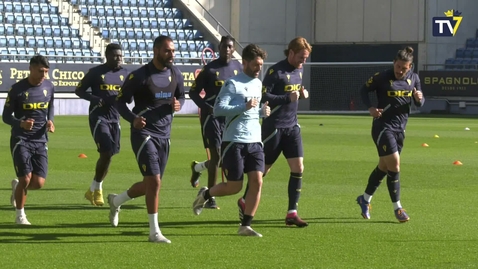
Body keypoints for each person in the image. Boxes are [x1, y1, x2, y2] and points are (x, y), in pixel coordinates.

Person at [107, 35, 184, 243]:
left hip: (165, 134)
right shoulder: (140, 75)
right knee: (155, 181)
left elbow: (181, 96)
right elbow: (120, 102)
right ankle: (154, 232)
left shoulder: (176, 73)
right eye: (168, 51)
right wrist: (133, 119)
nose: (172, 54)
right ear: (156, 51)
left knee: (151, 184)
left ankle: (116, 200)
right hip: (144, 133)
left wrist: (179, 105)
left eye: (173, 51)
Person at [192, 43, 270, 237]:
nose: (259, 68)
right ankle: (206, 194)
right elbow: (218, 110)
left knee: (257, 182)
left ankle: (246, 225)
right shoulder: (232, 84)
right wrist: (242, 107)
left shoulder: (258, 84)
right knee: (235, 187)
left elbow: (253, 111)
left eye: (261, 65)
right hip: (234, 141)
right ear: (245, 62)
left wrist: (262, 112)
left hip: (255, 140)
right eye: (255, 64)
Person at [238, 37, 311, 227]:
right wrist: (288, 98)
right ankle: (245, 200)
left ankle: (292, 213)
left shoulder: (299, 69)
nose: (303, 61)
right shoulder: (275, 71)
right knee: (263, 170)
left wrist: (302, 93)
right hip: (274, 127)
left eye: (306, 58)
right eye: (301, 57)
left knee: (298, 168)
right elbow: (263, 95)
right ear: (291, 52)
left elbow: (294, 91)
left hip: (292, 126)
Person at [356, 46, 424, 222]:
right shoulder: (382, 77)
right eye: (398, 66)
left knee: (384, 167)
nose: (400, 70)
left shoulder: (414, 78)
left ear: (410, 67)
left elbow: (420, 103)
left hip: (400, 130)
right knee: (395, 164)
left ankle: (364, 199)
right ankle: (398, 208)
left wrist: (418, 98)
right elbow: (364, 90)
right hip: (382, 127)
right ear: (394, 63)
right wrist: (370, 108)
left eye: (404, 68)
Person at [188, 36, 242, 210]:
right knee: (217, 156)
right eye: (224, 46)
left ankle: (198, 168)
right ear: (219, 48)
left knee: (223, 157)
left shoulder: (238, 68)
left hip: (229, 118)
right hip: (211, 118)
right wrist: (206, 107)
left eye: (230, 46)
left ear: (233, 49)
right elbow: (194, 92)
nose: (227, 49)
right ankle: (210, 197)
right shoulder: (210, 69)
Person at [3, 55, 55, 225]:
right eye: (41, 71)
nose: (44, 75)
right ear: (31, 68)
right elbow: (5, 116)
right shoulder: (17, 89)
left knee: (38, 183)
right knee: (26, 178)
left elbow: (50, 106)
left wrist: (50, 120)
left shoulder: (49, 86)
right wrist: (21, 123)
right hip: (21, 139)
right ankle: (20, 215)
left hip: (41, 140)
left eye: (46, 72)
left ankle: (17, 187)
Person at [75, 43, 129, 207]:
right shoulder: (96, 72)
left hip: (115, 118)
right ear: (107, 55)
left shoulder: (125, 74)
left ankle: (92, 189)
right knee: (106, 151)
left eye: (120, 55)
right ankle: (98, 190)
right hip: (99, 118)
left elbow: (128, 95)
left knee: (109, 154)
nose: (118, 58)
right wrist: (95, 99)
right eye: (115, 55)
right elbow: (79, 90)